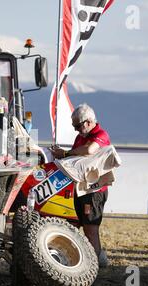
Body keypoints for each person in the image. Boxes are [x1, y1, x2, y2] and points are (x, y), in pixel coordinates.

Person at [50, 103, 111, 267]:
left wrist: (64, 153)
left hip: (94, 190)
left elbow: (90, 150)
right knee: (74, 225)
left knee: (90, 229)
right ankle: (88, 260)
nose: (75, 129)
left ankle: (95, 264)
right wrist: (62, 154)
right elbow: (76, 156)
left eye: (77, 125)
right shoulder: (80, 137)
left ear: (89, 122)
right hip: (80, 189)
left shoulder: (101, 134)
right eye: (74, 126)